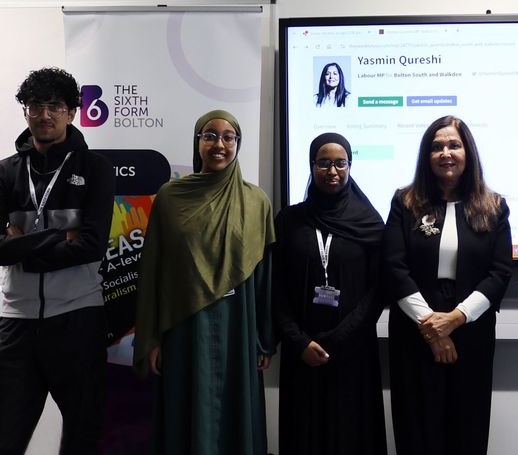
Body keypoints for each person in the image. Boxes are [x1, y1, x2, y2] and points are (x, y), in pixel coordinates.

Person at [133, 110, 275, 455]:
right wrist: (151, 337)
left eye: (229, 137)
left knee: (233, 413)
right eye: (209, 135)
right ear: (198, 142)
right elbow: (153, 270)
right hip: (184, 326)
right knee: (187, 411)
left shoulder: (256, 201)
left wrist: (263, 338)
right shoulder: (170, 197)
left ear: (237, 144)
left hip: (238, 325)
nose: (219, 144)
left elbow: (264, 277)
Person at [0, 67, 116, 455]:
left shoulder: (95, 168)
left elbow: (91, 246)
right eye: (35, 106)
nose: (44, 114)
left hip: (77, 316)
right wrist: (57, 238)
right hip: (16, 320)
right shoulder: (5, 172)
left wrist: (26, 247)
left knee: (83, 434)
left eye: (55, 106)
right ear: (26, 112)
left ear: (71, 112)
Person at [382, 116, 512, 455]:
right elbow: (394, 266)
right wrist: (433, 328)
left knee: (466, 427)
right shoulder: (405, 202)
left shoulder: (493, 206)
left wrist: (455, 318)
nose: (446, 152)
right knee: (416, 427)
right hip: (414, 330)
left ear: (468, 152)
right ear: (427, 155)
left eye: (454, 145)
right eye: (437, 146)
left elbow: (499, 273)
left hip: (471, 330)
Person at [273, 133, 387, 455]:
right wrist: (299, 341)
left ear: (350, 166)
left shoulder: (369, 222)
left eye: (340, 163)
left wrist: (337, 338)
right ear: (312, 166)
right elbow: (276, 288)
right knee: (304, 434)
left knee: (352, 435)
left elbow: (378, 291)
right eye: (324, 163)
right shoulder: (289, 220)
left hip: (353, 352)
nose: (332, 171)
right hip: (302, 353)